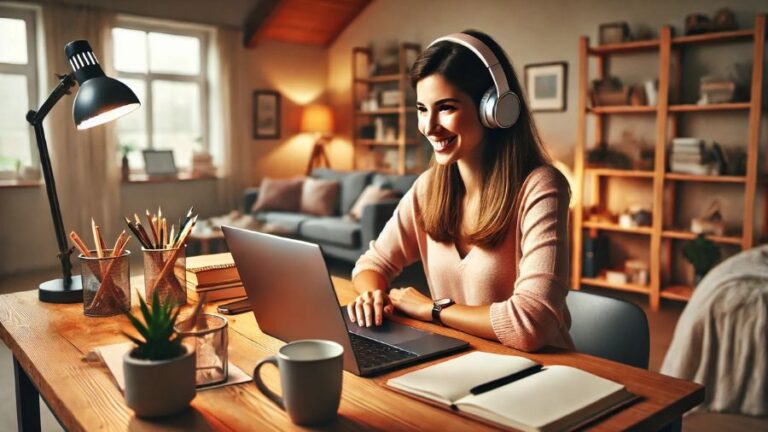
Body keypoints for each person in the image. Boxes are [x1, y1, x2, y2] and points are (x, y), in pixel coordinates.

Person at [348, 30, 574, 352]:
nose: (428, 127)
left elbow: (531, 323)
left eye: (446, 108)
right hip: (458, 360)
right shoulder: (428, 189)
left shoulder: (540, 187)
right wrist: (372, 294)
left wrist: (433, 309)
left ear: (494, 109)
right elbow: (372, 264)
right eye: (422, 109)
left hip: (540, 372)